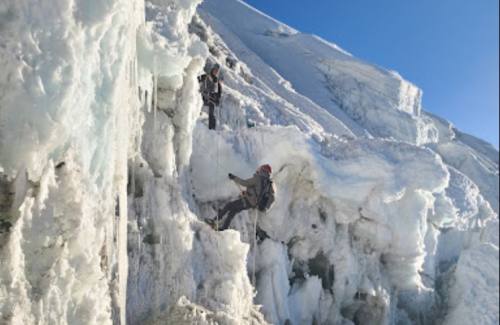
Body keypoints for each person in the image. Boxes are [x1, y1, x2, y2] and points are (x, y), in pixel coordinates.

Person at [209, 164, 275, 231]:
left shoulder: (258, 178)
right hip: (252, 205)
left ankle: (214, 221)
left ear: (262, 170)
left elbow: (244, 183)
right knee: (233, 211)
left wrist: (234, 177)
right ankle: (224, 228)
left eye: (260, 169)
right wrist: (264, 207)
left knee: (229, 206)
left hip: (247, 201)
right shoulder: (269, 184)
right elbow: (271, 197)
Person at [198, 63, 222, 130]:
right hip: (202, 96)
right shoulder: (206, 76)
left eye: (217, 71)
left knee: (212, 108)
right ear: (212, 69)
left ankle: (211, 129)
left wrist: (218, 99)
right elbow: (198, 79)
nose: (216, 72)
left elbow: (219, 92)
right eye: (215, 70)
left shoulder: (217, 81)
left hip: (210, 99)